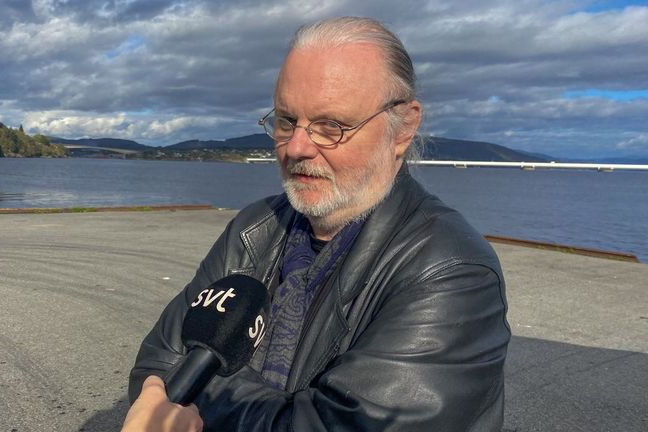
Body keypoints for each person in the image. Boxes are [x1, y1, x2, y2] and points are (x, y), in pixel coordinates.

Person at [124, 16, 511, 432]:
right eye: (287, 121)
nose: (297, 147)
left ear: (404, 127)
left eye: (332, 126)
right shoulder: (255, 229)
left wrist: (192, 395)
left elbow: (347, 426)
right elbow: (155, 363)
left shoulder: (451, 271)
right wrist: (291, 410)